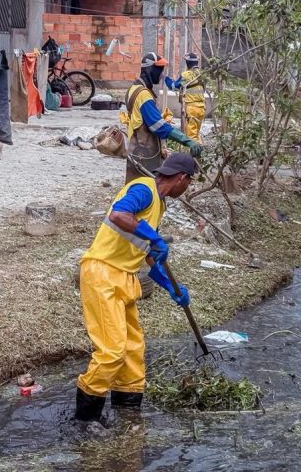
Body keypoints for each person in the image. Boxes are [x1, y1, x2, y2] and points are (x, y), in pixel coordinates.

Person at [75, 153, 197, 423]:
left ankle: (127, 409)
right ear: (181, 178)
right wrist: (154, 237)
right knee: (112, 351)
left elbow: (149, 253)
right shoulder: (144, 189)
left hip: (125, 277)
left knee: (132, 348)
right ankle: (84, 420)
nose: (188, 188)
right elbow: (119, 214)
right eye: (190, 182)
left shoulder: (159, 205)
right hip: (102, 272)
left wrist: (170, 286)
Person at [124, 52, 202, 183]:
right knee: (147, 189)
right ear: (149, 69)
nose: (161, 74)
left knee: (136, 186)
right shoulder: (143, 95)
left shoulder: (134, 88)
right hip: (144, 150)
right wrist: (187, 141)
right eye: (159, 70)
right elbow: (158, 126)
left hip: (136, 147)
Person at [165, 53, 206, 144]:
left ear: (187, 62)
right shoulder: (201, 74)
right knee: (196, 133)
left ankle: (195, 155)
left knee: (191, 136)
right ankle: (200, 151)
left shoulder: (186, 75)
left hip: (192, 108)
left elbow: (173, 86)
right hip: (202, 108)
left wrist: (166, 78)